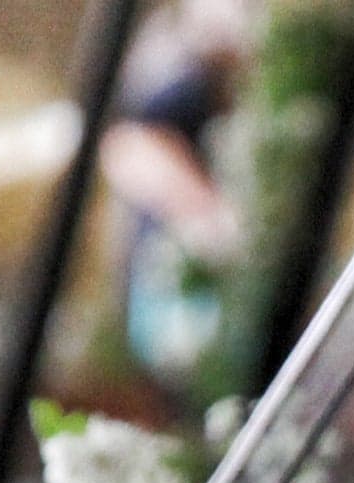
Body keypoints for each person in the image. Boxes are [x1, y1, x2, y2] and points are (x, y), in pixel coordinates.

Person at [100, 0, 252, 392]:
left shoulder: (221, 70)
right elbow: (127, 148)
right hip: (177, 292)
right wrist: (213, 215)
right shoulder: (177, 65)